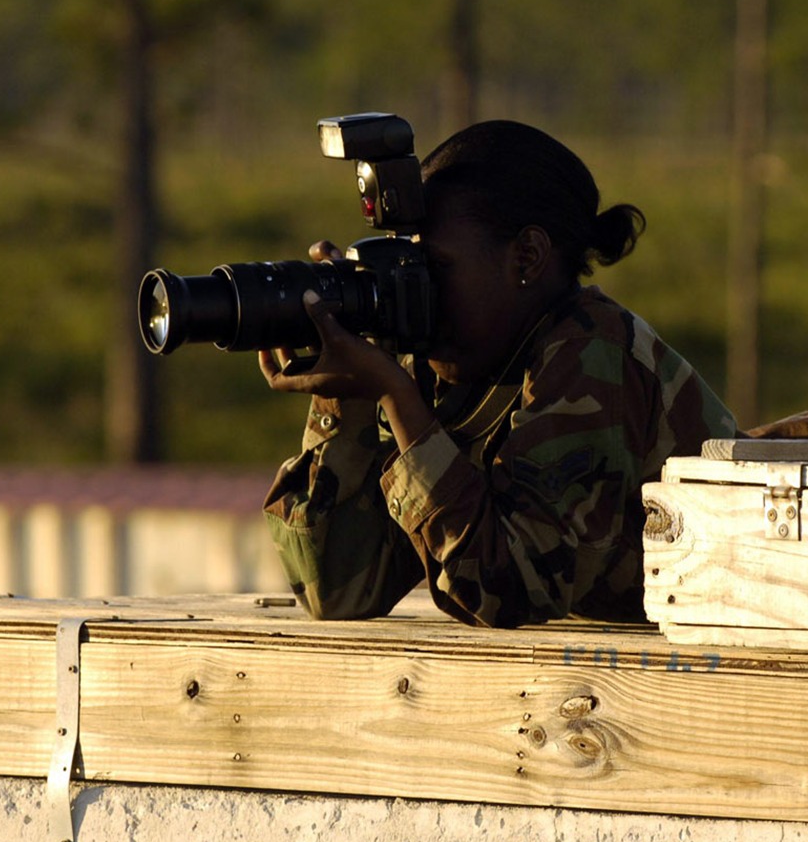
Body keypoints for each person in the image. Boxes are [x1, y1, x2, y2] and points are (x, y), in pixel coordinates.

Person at [259, 120, 737, 627]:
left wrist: (397, 398)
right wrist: (345, 399)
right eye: (407, 266)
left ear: (526, 255)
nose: (417, 290)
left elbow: (514, 589)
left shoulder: (589, 352)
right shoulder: (443, 364)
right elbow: (336, 588)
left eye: (435, 267)